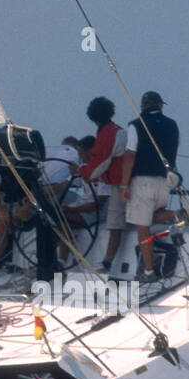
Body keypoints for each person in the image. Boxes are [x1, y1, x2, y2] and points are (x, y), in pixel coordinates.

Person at [118, 91, 180, 282]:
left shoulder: (136, 125)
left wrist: (124, 184)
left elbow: (130, 155)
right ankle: (174, 215)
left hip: (142, 181)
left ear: (143, 106)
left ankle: (148, 272)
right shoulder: (172, 125)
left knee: (142, 227)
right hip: (165, 181)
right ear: (160, 106)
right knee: (152, 216)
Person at [81, 97, 127, 274]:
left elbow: (96, 168)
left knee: (115, 225)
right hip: (126, 182)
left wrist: (81, 171)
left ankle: (107, 262)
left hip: (119, 185)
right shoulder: (117, 130)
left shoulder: (107, 134)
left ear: (93, 117)